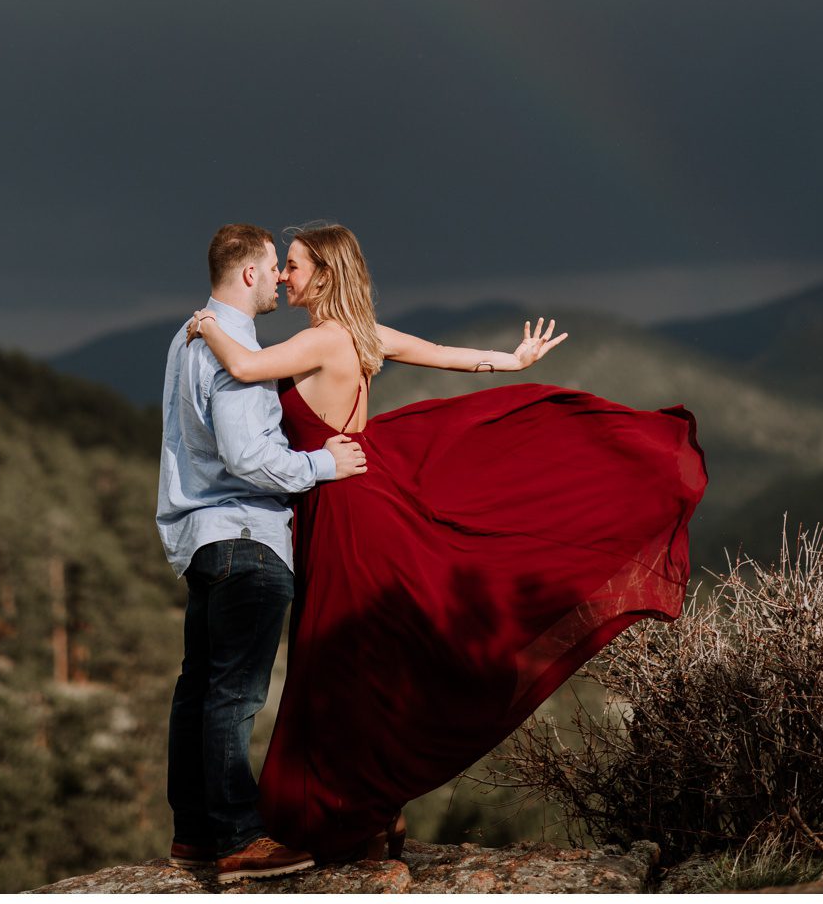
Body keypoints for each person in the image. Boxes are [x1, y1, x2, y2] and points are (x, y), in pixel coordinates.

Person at [188, 221, 708, 863]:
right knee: (362, 660)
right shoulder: (363, 334)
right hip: (357, 499)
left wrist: (208, 325)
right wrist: (510, 361)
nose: (285, 276)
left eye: (294, 265)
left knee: (336, 661)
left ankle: (347, 814)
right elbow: (446, 354)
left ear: (324, 273)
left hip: (345, 511)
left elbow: (243, 364)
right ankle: (371, 811)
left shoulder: (318, 339)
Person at [156, 222, 368, 885]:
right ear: (248, 274)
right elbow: (249, 456)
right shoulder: (235, 344)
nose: (279, 276)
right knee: (233, 696)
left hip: (197, 539)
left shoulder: (185, 338)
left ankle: (193, 835)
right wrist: (323, 465)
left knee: (197, 691)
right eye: (274, 264)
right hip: (248, 539)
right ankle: (238, 839)